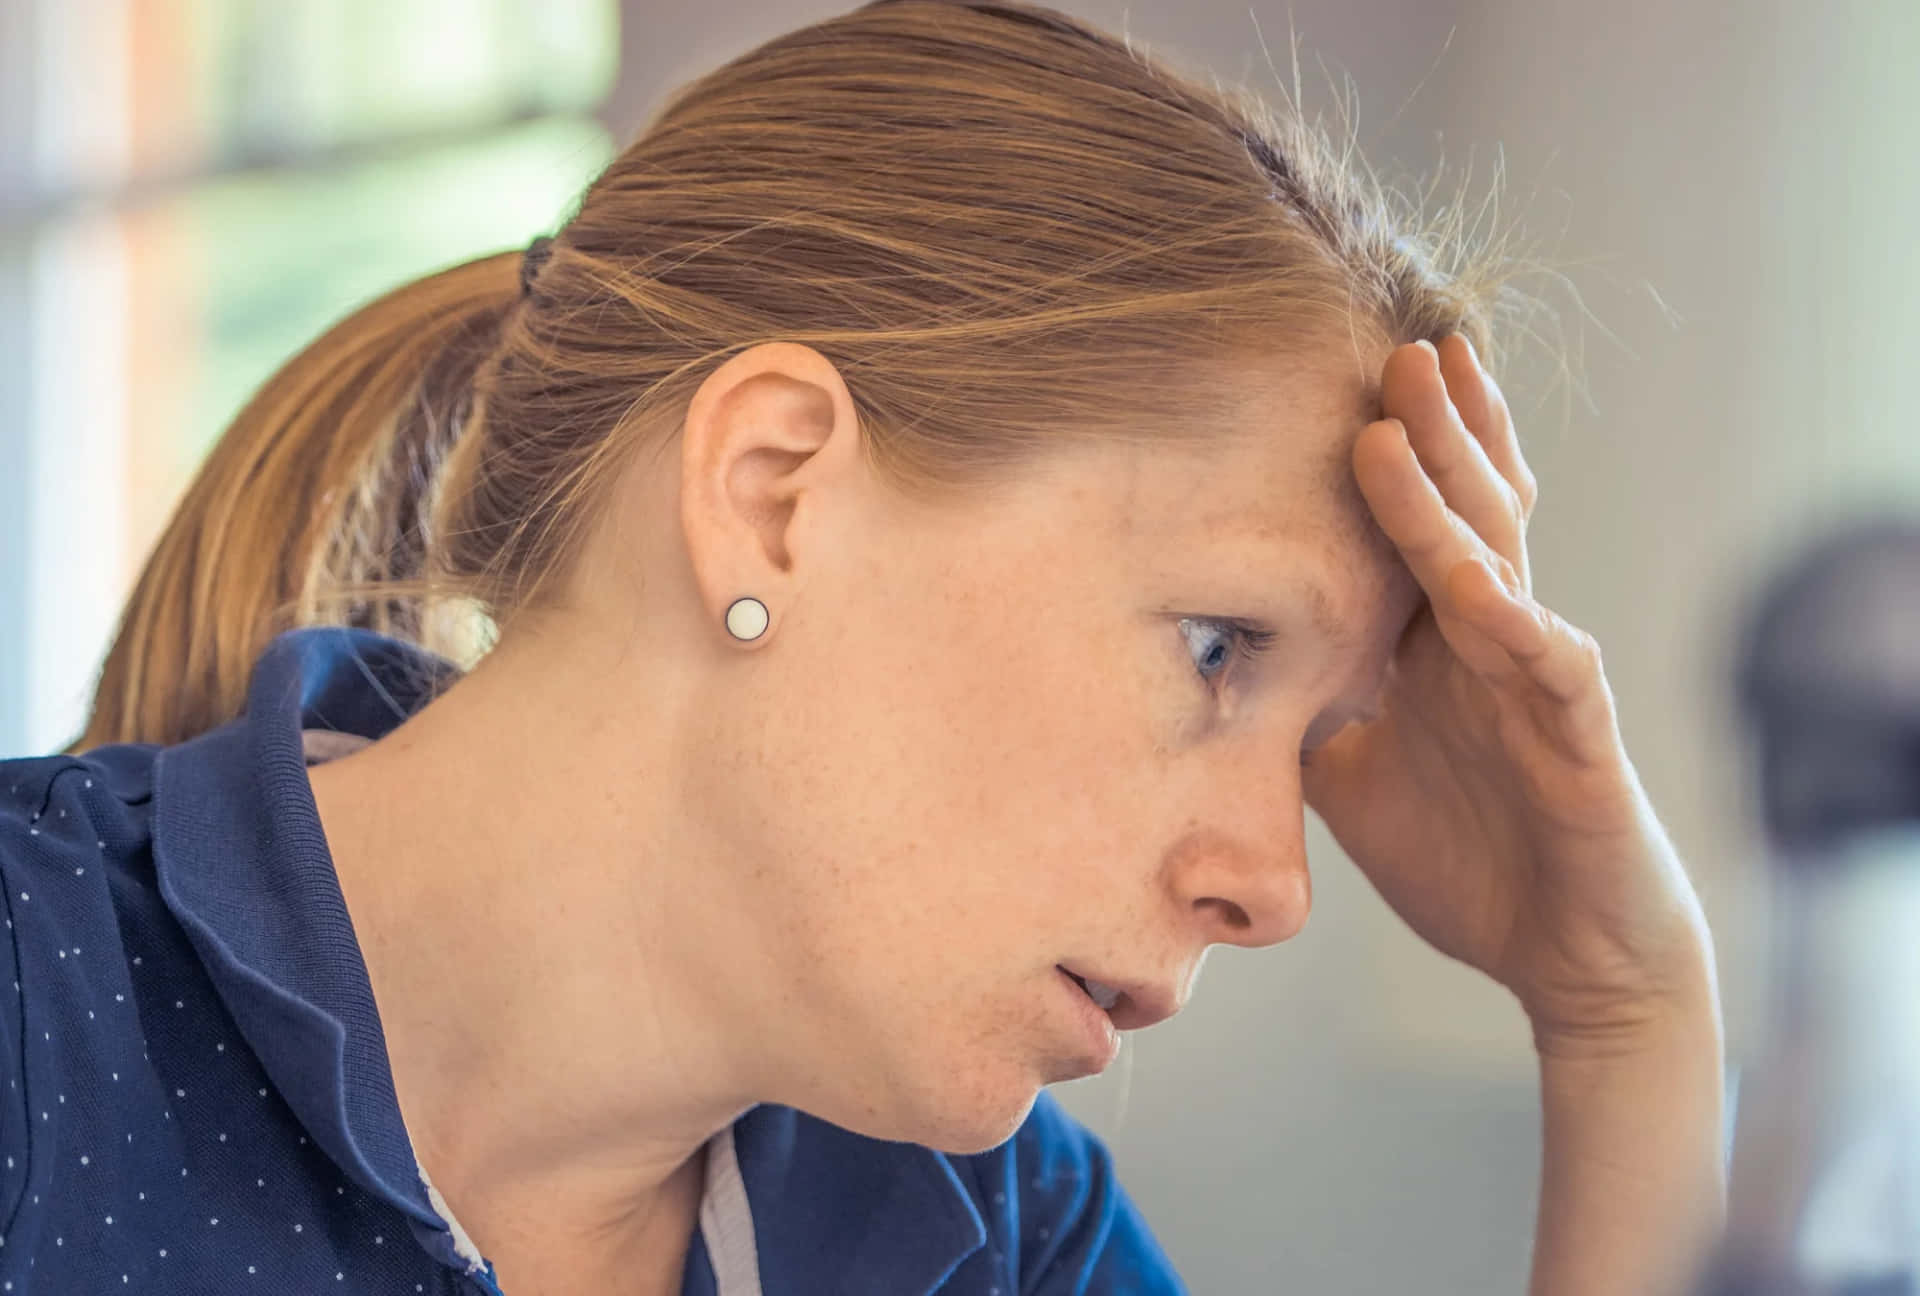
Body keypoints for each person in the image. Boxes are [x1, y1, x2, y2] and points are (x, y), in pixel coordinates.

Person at [0, 1, 1726, 1292]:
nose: (1274, 887)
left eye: (1319, 735)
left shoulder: (990, 1234)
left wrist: (1623, 1016)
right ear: (773, 494)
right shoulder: (31, 1001)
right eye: (1218, 648)